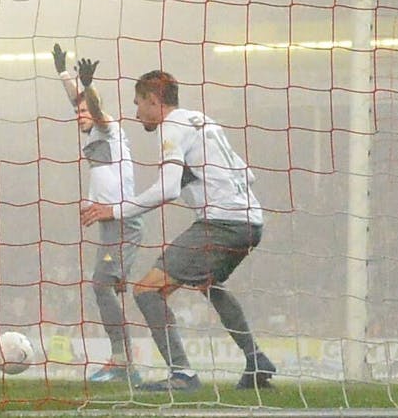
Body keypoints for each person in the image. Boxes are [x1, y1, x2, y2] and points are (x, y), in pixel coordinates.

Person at [81, 70, 275, 391]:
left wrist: (114, 210)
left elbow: (167, 189)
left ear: (153, 100)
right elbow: (247, 175)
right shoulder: (202, 121)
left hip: (222, 224)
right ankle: (256, 360)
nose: (136, 113)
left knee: (146, 290)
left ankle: (182, 374)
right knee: (208, 283)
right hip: (252, 221)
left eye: (138, 103)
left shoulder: (170, 128)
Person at [52, 45, 143, 383]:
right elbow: (78, 103)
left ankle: (122, 362)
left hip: (124, 221)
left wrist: (89, 86)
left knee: (101, 285)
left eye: (84, 112)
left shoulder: (109, 128)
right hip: (109, 225)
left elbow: (94, 108)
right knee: (105, 286)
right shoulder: (90, 133)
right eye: (77, 113)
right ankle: (123, 362)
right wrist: (64, 74)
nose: (79, 115)